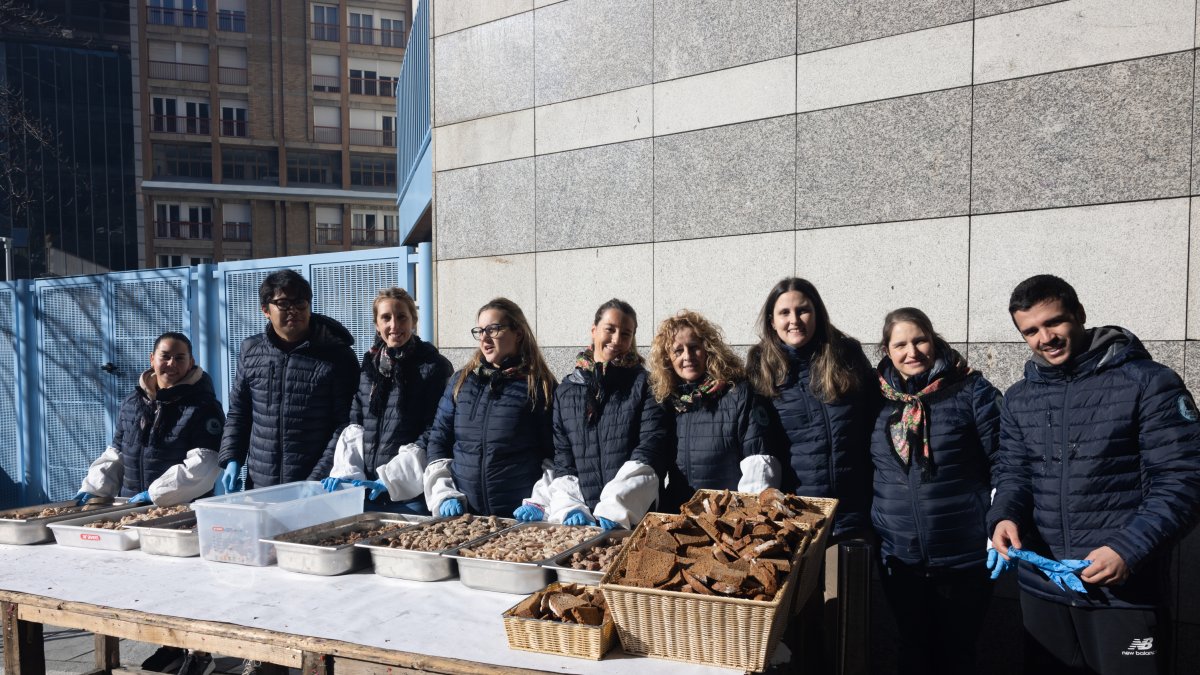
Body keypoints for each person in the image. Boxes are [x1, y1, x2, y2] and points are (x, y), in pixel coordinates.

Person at [988, 274, 1200, 675]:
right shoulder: (1019, 397)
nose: (1044, 338)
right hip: (1043, 589)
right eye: (1030, 331)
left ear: (1080, 314)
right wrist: (1003, 516)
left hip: (1123, 594)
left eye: (1054, 322)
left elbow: (1184, 479)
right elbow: (1013, 472)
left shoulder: (1149, 383)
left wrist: (1128, 549)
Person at [745, 277, 878, 672]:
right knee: (799, 623)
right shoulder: (762, 366)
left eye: (802, 309)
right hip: (797, 520)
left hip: (850, 515)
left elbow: (879, 410)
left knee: (847, 624)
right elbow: (758, 439)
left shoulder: (846, 354)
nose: (794, 319)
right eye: (784, 312)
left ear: (816, 312)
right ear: (771, 320)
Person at [73, 332, 225, 675]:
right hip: (135, 508)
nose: (171, 364)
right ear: (152, 358)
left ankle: (200, 654)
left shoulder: (202, 405)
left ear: (191, 363)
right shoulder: (132, 402)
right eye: (165, 356)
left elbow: (204, 464)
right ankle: (170, 647)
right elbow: (118, 451)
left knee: (189, 585)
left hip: (181, 512)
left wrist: (157, 494)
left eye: (180, 358)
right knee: (154, 587)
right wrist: (96, 486)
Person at [869, 307, 1002, 675]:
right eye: (900, 344)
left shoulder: (972, 391)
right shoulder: (877, 399)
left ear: (934, 338)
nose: (911, 351)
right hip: (900, 559)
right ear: (887, 350)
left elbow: (1004, 463)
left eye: (919, 340)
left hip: (963, 560)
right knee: (911, 651)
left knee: (956, 655)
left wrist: (998, 525)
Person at [518, 299, 666, 529]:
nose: (617, 340)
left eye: (626, 334)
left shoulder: (644, 384)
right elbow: (564, 457)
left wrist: (618, 506)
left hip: (632, 517)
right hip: (582, 519)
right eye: (610, 329)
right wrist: (570, 506)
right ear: (594, 330)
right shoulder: (567, 390)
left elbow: (650, 447)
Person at [217, 270, 359, 492]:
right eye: (283, 303)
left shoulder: (337, 356)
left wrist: (316, 478)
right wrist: (232, 458)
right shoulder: (251, 351)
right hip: (260, 485)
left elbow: (345, 424)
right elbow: (239, 412)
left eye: (300, 302)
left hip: (317, 486)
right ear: (265, 310)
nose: (293, 310)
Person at [322, 288, 453, 514]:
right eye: (386, 318)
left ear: (413, 320)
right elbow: (355, 422)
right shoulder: (370, 367)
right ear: (376, 324)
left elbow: (435, 430)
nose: (394, 325)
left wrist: (393, 478)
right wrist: (346, 471)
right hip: (366, 489)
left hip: (410, 492)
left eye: (402, 317)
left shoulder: (432, 367)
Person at [423, 298, 557, 518]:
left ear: (518, 333)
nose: (484, 337)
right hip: (465, 518)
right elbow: (438, 440)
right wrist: (444, 492)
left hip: (518, 519)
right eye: (480, 331)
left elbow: (555, 454)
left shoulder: (539, 386)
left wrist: (539, 502)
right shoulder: (461, 382)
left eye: (493, 329)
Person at [647, 310, 778, 513]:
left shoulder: (737, 394)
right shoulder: (669, 404)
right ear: (667, 360)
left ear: (708, 349)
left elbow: (759, 463)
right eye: (678, 351)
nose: (687, 356)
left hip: (729, 518)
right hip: (683, 520)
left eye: (694, 347)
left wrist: (748, 518)